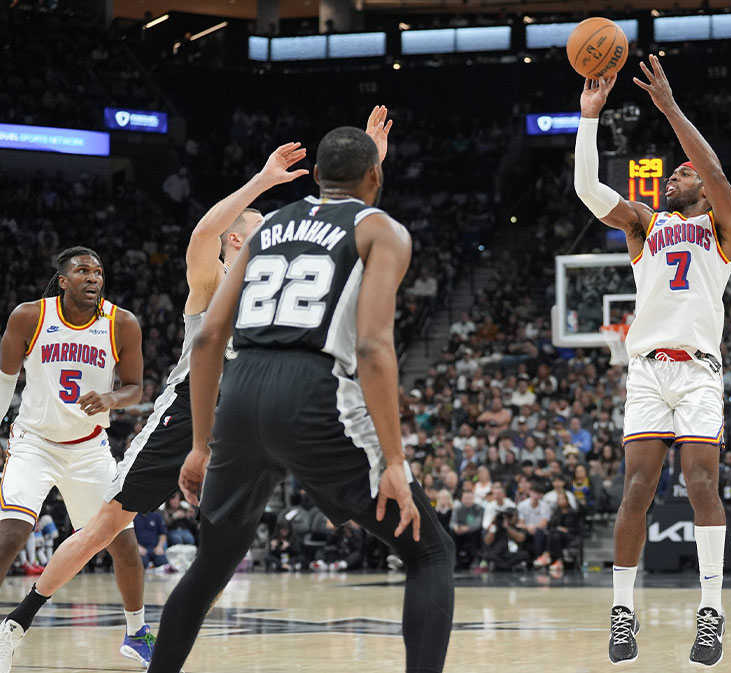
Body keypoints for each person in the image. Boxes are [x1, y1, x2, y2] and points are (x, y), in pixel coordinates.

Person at [146, 123, 455, 673]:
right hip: (312, 395)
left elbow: (210, 336)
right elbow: (373, 346)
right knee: (429, 550)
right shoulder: (382, 229)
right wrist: (396, 461)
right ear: (375, 176)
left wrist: (199, 444)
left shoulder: (272, 225)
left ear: (314, 176)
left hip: (238, 398)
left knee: (211, 567)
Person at [0, 141, 311, 673]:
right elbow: (201, 236)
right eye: (261, 228)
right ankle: (16, 623)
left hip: (242, 427)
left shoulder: (272, 289)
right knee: (104, 529)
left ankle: (155, 647)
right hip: (183, 417)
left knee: (224, 551)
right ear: (237, 238)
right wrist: (261, 180)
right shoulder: (213, 279)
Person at [575, 57, 731, 667]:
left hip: (698, 369)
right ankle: (622, 612)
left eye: (683, 172)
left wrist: (671, 109)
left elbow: (719, 174)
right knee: (637, 489)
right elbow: (589, 193)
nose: (674, 176)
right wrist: (588, 121)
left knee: (701, 482)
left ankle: (711, 613)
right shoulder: (647, 224)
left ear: (702, 182)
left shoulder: (724, 228)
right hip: (647, 369)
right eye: (673, 172)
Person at [0, 246, 152, 667]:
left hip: (89, 449)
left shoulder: (122, 323)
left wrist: (110, 397)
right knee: (11, 533)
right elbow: (5, 379)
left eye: (99, 272)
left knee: (123, 545)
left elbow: (136, 387)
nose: (93, 278)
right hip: (35, 442)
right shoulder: (30, 316)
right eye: (82, 270)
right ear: (63, 280)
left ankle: (136, 632)